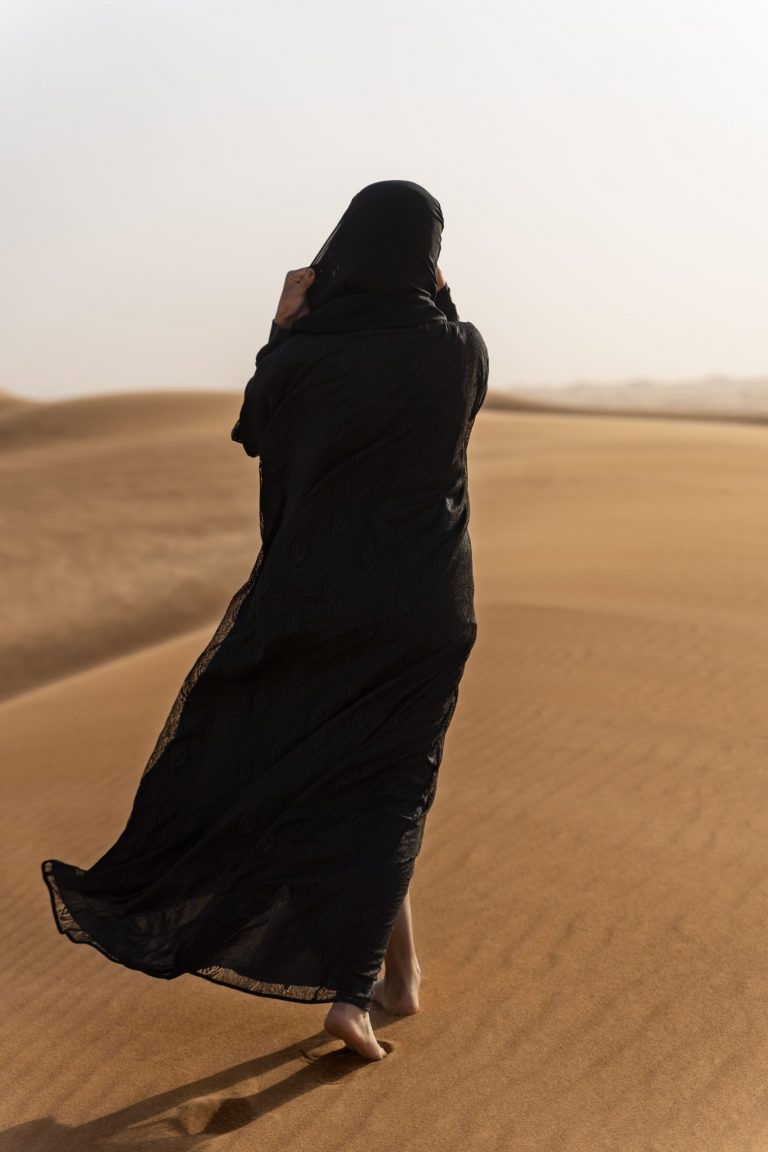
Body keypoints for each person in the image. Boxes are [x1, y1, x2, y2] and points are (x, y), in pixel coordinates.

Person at [41, 179, 489, 1062]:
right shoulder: (458, 349)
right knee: (390, 783)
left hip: (313, 597)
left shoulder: (308, 355)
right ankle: (355, 992)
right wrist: (440, 297)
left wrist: (282, 329)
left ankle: (399, 978)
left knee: (345, 778)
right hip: (423, 607)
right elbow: (455, 386)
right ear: (429, 256)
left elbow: (256, 428)